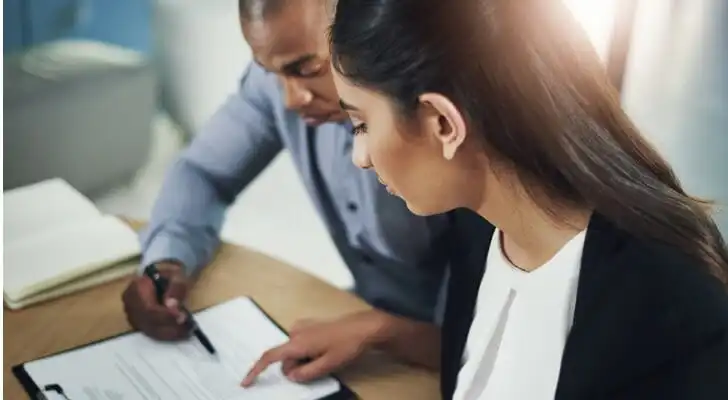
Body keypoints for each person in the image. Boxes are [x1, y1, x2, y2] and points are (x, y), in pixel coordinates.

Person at [245, 0, 728, 398]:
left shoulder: (670, 307)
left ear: (443, 123)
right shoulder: (480, 223)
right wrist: (383, 332)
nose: (361, 158)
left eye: (362, 124)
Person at [122, 0, 451, 381]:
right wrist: (167, 260)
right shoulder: (279, 85)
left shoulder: (447, 122)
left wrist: (382, 331)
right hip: (363, 322)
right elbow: (203, 171)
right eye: (270, 72)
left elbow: (486, 340)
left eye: (307, 69)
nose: (291, 99)